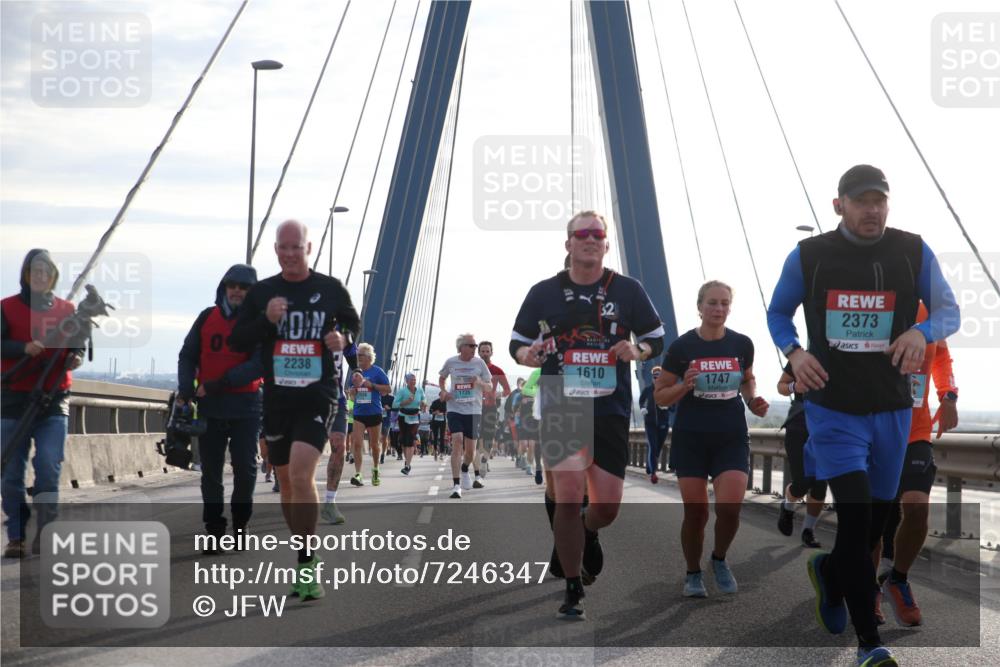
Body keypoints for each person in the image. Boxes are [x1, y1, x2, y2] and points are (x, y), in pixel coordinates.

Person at [767, 165, 959, 666]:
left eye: (879, 200)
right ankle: (868, 643)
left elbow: (949, 311)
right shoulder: (809, 255)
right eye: (860, 200)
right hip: (833, 408)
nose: (871, 209)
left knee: (873, 529)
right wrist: (793, 352)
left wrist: (922, 332)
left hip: (893, 409)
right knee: (854, 518)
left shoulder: (911, 250)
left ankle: (830, 577)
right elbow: (777, 313)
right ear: (839, 206)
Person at [510, 210, 664, 620]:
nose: (590, 239)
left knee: (607, 506)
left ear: (606, 243)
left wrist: (639, 351)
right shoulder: (543, 292)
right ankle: (573, 586)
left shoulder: (628, 290)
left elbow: (655, 337)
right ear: (569, 244)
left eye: (598, 233)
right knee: (567, 494)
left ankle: (588, 529)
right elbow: (518, 342)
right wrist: (528, 355)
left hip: (610, 405)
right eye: (582, 234)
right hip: (561, 399)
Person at [229, 219, 360, 601]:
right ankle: (306, 549)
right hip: (276, 399)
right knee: (286, 484)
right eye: (282, 248)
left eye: (296, 247)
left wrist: (344, 338)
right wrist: (265, 321)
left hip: (317, 395)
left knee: (302, 475)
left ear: (309, 248)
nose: (289, 254)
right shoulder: (264, 292)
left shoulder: (329, 289)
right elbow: (238, 340)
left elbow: (353, 323)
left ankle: (306, 563)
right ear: (275, 250)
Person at [654, 281, 768, 597]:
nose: (718, 309)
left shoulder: (742, 344)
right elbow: (661, 396)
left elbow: (747, 380)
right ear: (700, 306)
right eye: (712, 303)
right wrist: (684, 386)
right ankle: (692, 573)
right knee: (697, 513)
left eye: (724, 303)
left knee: (730, 507)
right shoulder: (681, 348)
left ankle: (719, 559)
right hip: (691, 437)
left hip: (730, 435)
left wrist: (753, 400)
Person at [876, 301, 958, 627]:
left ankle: (898, 578)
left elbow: (940, 356)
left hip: (915, 429)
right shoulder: (873, 299)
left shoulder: (928, 310)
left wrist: (948, 395)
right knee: (874, 515)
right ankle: (867, 588)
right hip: (873, 426)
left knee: (916, 508)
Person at [1, 250, 84, 558]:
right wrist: (22, 347)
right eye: (34, 271)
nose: (39, 276)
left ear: (53, 276)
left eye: (45, 271)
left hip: (53, 399)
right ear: (25, 274)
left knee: (48, 465)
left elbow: (79, 343)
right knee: (11, 474)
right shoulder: (6, 308)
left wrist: (76, 356)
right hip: (13, 400)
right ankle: (17, 535)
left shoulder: (67, 310)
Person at [176, 264, 264, 552]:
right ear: (224, 287)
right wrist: (186, 388)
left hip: (246, 407)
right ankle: (214, 531)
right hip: (210, 408)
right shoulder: (206, 318)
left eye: (244, 286)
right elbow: (188, 354)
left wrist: (219, 383)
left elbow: (257, 365)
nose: (237, 290)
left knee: (245, 469)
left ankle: (240, 525)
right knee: (211, 472)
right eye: (232, 285)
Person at [776, 362, 827, 548]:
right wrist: (794, 387)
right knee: (803, 482)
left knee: (820, 484)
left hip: (827, 428)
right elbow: (781, 386)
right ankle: (787, 506)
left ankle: (808, 530)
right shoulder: (802, 357)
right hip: (799, 425)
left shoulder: (845, 356)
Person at [438, 333, 494, 498]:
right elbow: (442, 377)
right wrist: (443, 391)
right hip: (455, 408)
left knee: (470, 452)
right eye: (472, 346)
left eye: (475, 346)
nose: (474, 349)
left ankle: (465, 469)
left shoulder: (479, 363)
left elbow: (489, 386)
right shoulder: (451, 362)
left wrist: (480, 383)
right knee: (457, 440)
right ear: (461, 347)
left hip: (474, 410)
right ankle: (456, 486)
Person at [321, 338, 356, 525]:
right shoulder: (302, 322)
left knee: (339, 446)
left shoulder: (343, 331)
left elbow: (351, 355)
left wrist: (357, 370)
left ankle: (329, 502)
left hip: (337, 399)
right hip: (307, 399)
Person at [348, 343, 391, 487]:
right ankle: (358, 474)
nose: (358, 358)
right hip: (359, 413)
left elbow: (388, 389)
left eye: (360, 355)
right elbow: (351, 393)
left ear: (368, 357)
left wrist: (372, 386)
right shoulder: (355, 373)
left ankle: (375, 469)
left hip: (374, 413)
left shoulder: (377, 372)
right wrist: (352, 392)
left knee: (374, 445)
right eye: (357, 355)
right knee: (357, 443)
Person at [477, 341, 511, 467]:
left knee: (489, 435)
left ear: (491, 353)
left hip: (491, 407)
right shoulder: (473, 368)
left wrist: (498, 394)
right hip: (475, 407)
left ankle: (484, 460)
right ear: (479, 353)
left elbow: (507, 390)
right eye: (482, 351)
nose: (485, 354)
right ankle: (480, 459)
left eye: (487, 351)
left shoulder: (497, 370)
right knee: (478, 435)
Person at [638, 365, 672, 484]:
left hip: (663, 424)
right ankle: (653, 473)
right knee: (653, 446)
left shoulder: (667, 390)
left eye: (659, 376)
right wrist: (643, 408)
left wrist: (667, 406)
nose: (657, 379)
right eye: (655, 376)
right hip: (650, 423)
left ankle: (649, 465)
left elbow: (674, 406)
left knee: (657, 448)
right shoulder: (647, 390)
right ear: (652, 378)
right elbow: (641, 401)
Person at [393, 372, 425, 475]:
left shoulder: (419, 390)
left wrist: (423, 402)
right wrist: (405, 402)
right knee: (404, 440)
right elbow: (394, 404)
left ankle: (407, 465)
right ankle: (407, 463)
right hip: (403, 417)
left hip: (415, 416)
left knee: (411, 439)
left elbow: (424, 398)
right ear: (406, 381)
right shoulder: (402, 391)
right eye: (411, 380)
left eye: (415, 379)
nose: (413, 381)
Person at [429, 394, 447, 461]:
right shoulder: (435, 402)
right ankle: (435, 451)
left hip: (443, 421)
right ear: (439, 396)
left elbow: (448, 411)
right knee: (435, 436)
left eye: (443, 396)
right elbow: (430, 411)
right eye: (441, 396)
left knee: (442, 437)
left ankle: (442, 453)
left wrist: (443, 413)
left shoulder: (446, 403)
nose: (442, 397)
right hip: (435, 421)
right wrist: (434, 412)